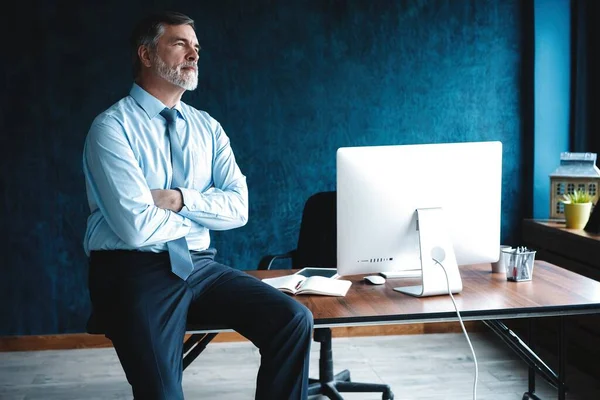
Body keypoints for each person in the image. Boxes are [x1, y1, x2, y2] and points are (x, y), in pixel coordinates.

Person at [83, 11, 313, 400]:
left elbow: (239, 209)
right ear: (146, 54)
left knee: (292, 319)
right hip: (134, 270)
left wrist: (179, 199)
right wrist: (203, 214)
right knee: (162, 392)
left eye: (196, 47)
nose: (194, 54)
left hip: (199, 265)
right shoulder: (111, 128)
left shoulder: (207, 127)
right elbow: (136, 227)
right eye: (180, 43)